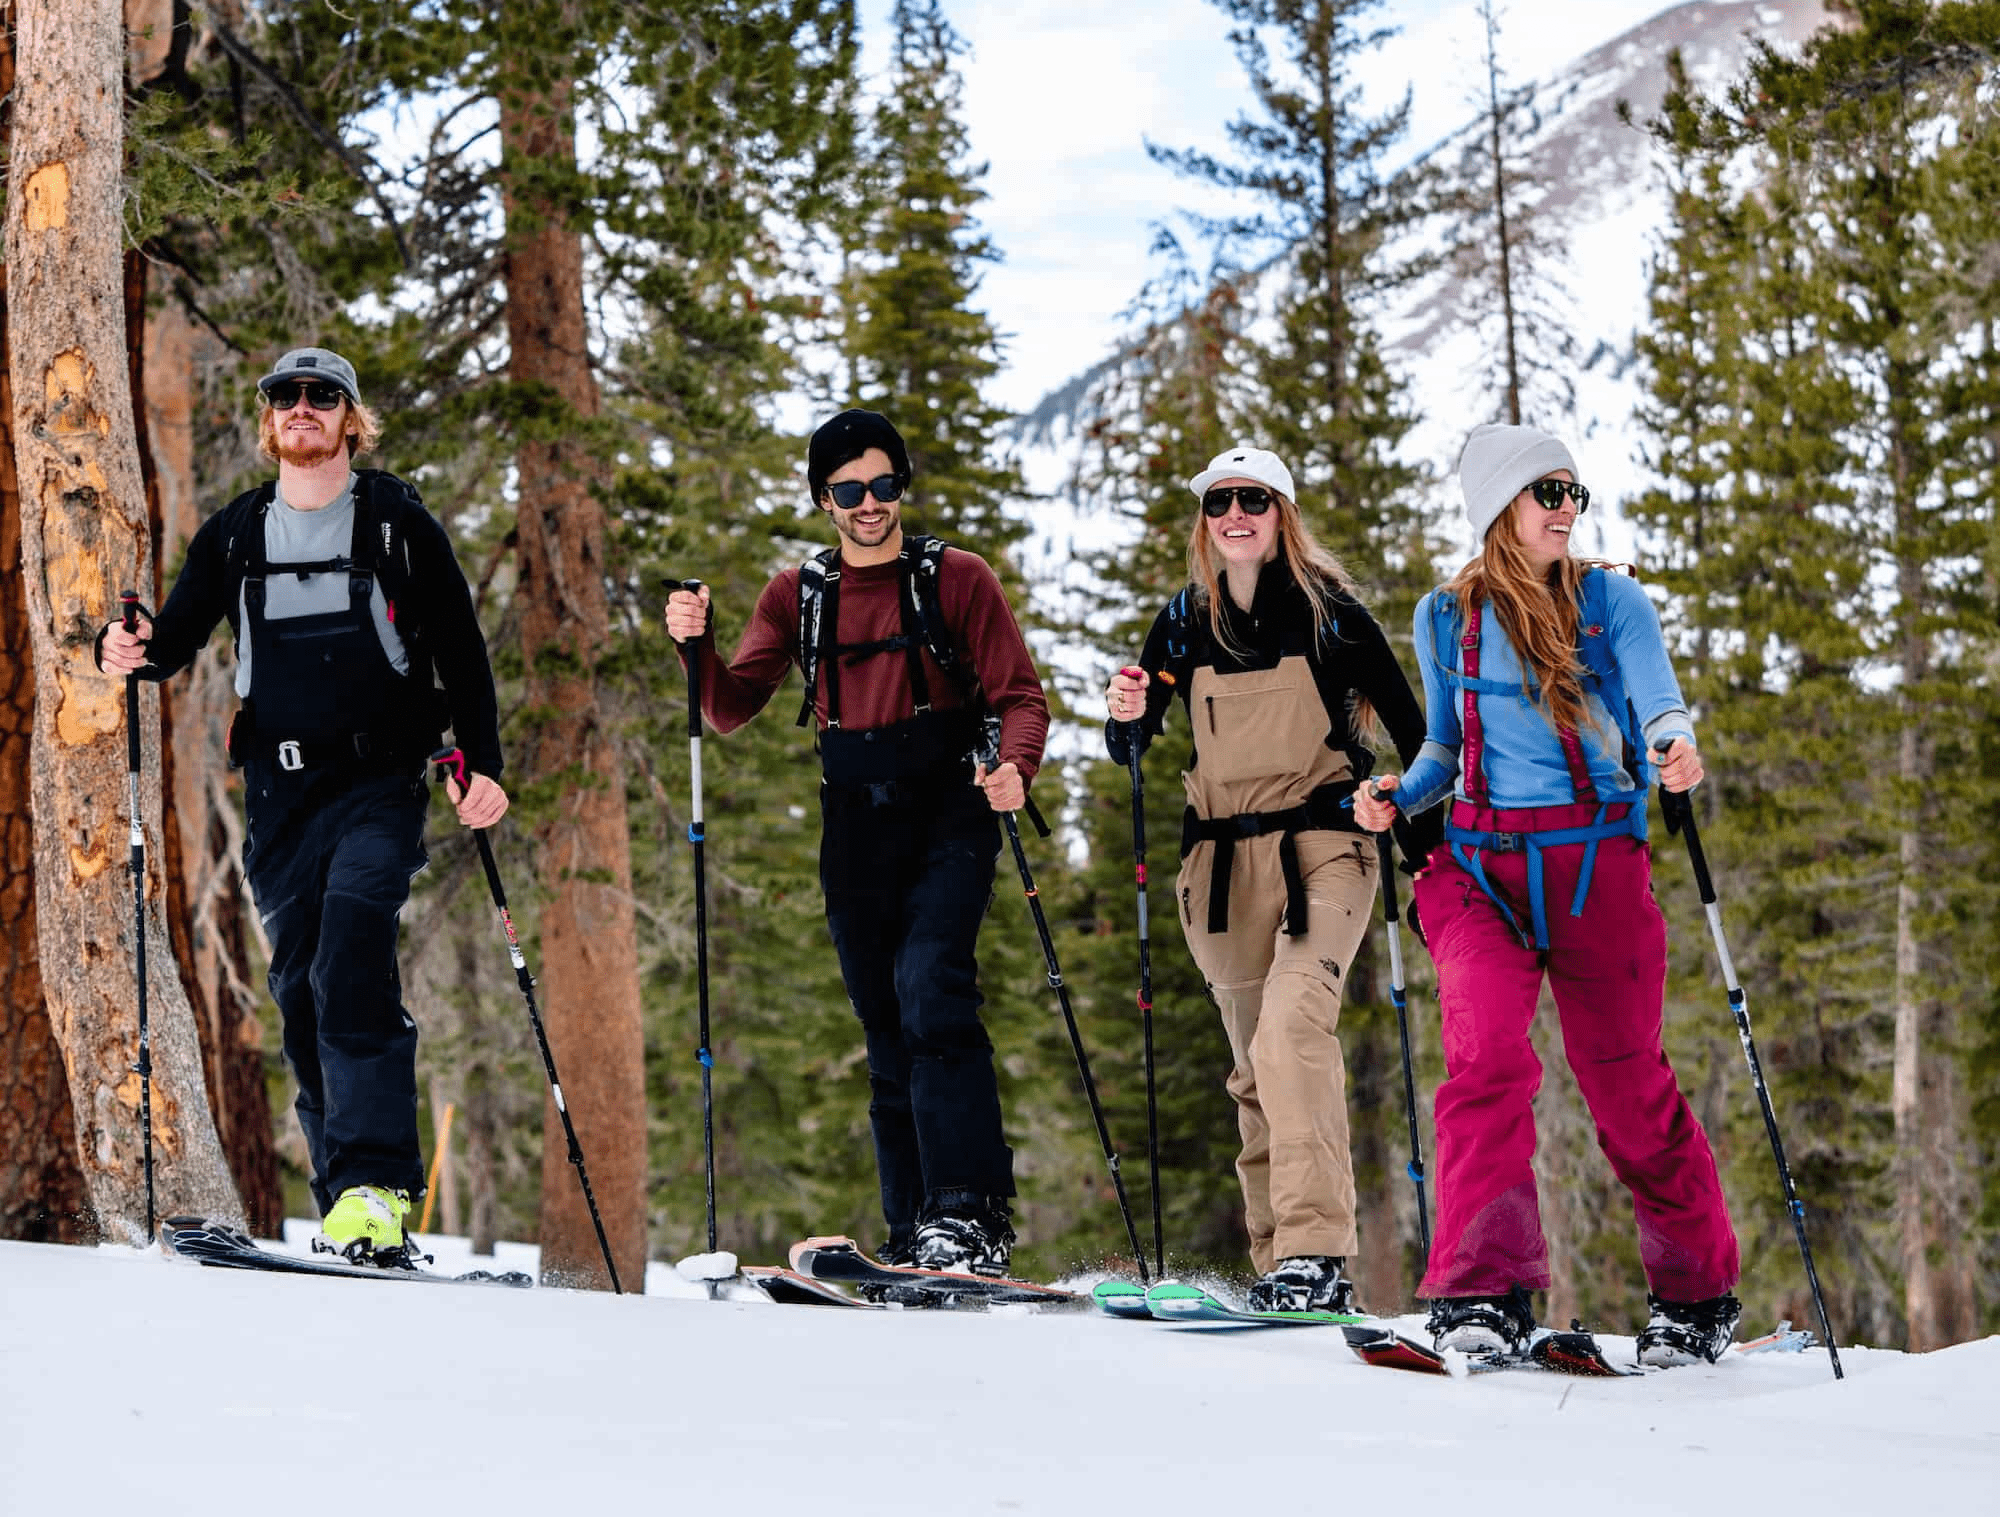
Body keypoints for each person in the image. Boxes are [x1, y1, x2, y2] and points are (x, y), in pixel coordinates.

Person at [99, 345, 506, 1264]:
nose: (303, 407)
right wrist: (118, 648)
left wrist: (482, 764)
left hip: (379, 785)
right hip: (279, 795)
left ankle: (377, 1190)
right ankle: (346, 1206)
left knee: (352, 957)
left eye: (324, 396)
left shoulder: (396, 522)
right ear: (270, 418)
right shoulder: (236, 534)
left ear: (351, 420)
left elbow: (462, 649)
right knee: (299, 991)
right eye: (286, 395)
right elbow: (167, 646)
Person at [1353, 422, 1742, 1364]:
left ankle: (1696, 1299)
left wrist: (1674, 746)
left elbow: (1658, 700)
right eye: (1550, 492)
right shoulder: (1444, 616)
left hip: (1594, 869)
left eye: (1574, 493)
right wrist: (1398, 793)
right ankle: (1483, 1293)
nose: (1568, 509)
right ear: (1501, 505)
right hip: (1479, 869)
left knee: (1625, 1084)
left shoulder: (1610, 603)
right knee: (1484, 1062)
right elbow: (1444, 746)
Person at [664, 409, 1050, 1276]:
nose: (869, 503)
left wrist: (1014, 767)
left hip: (949, 806)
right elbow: (728, 707)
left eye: (883, 484)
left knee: (932, 991)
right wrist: (697, 646)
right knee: (883, 1020)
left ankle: (969, 1215)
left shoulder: (957, 577)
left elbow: (1020, 696)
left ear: (900, 485)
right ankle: (912, 1228)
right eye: (849, 490)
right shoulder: (796, 594)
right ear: (824, 500)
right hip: (853, 818)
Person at [1104, 444, 1438, 1312]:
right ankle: (1276, 1267)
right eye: (1219, 503)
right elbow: (1133, 744)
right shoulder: (1183, 622)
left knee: (1291, 1034)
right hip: (1220, 867)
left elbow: (1419, 741)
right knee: (1255, 1069)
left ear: (1282, 513)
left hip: (1323, 847)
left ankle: (1315, 1252)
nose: (1234, 516)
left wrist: (1428, 859)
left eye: (1253, 499)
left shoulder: (1334, 616)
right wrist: (1127, 715)